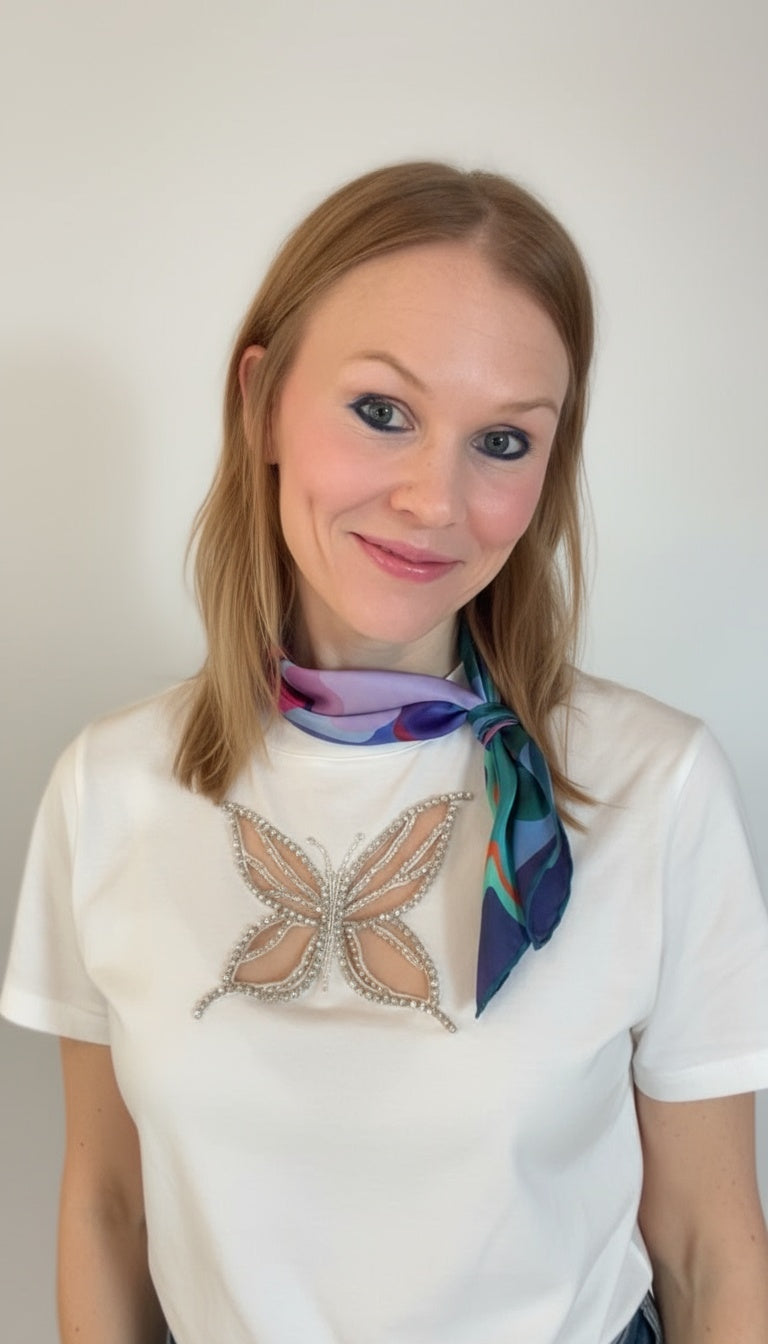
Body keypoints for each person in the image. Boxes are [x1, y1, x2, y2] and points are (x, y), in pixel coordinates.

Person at [2, 161, 768, 1344]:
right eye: (382, 411)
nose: (434, 500)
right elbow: (109, 1209)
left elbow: (711, 1249)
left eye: (503, 440)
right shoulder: (111, 788)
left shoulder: (652, 787)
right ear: (262, 403)